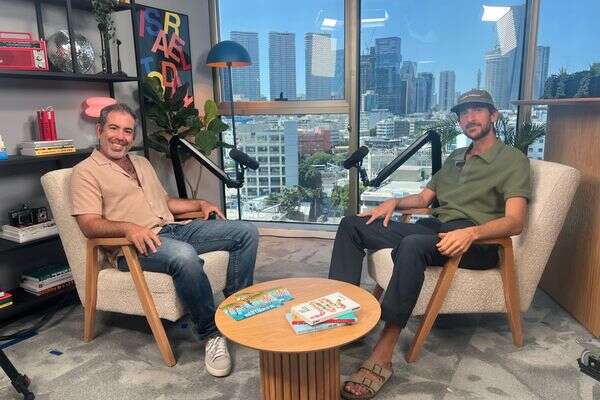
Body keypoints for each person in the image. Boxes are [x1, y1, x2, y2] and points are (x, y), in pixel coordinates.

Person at [329, 89, 531, 399]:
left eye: (477, 110)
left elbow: (515, 221)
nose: (470, 117)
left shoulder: (512, 160)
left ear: (493, 115)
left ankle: (383, 354)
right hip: (435, 229)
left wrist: (472, 233)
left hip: (477, 242)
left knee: (412, 245)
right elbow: (424, 199)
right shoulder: (455, 157)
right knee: (352, 225)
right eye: (464, 113)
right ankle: (342, 319)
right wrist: (394, 203)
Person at [70, 103, 259, 378]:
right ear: (99, 130)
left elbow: (165, 202)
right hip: (133, 247)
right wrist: (129, 228)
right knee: (183, 255)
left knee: (245, 231)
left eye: (127, 131)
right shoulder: (85, 171)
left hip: (173, 228)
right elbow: (88, 224)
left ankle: (238, 308)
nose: (120, 136)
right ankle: (211, 334)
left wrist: (199, 203)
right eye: (113, 128)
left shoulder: (141, 163)